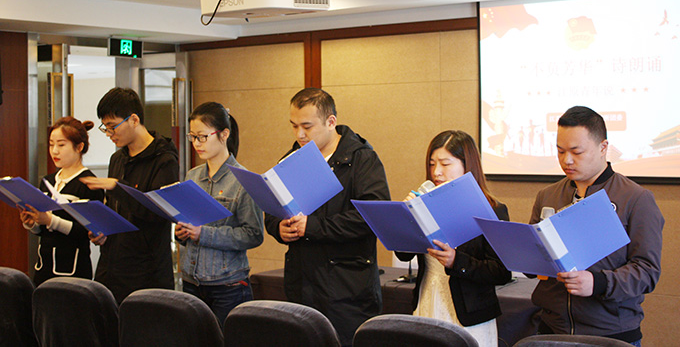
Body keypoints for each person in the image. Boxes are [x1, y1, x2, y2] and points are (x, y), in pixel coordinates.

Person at [264, 88, 390, 346]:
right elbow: (274, 208)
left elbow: (371, 217)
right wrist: (278, 227)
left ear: (331, 122)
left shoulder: (361, 158)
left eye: (307, 126)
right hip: (302, 284)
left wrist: (312, 226)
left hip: (347, 292)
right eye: (294, 126)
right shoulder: (292, 159)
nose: (299, 134)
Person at [530, 106, 664, 346]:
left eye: (577, 152)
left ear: (603, 148)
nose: (566, 160)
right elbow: (535, 251)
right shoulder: (547, 195)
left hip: (610, 334)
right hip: (552, 328)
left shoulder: (635, 199)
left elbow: (647, 271)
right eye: (560, 151)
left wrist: (598, 282)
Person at [396, 130, 511, 347]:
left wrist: (456, 261)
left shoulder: (491, 210)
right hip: (428, 301)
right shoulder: (424, 206)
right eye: (432, 164)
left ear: (467, 166)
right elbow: (403, 255)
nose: (436, 172)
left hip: (469, 316)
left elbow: (500, 272)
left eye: (445, 164)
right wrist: (407, 218)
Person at [81, 87, 179, 303]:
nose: (109, 134)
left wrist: (117, 187)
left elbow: (159, 212)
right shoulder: (117, 159)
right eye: (105, 128)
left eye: (112, 126)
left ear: (134, 119)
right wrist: (102, 231)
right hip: (111, 268)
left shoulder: (164, 159)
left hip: (146, 274)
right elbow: (115, 210)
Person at [175, 102, 263, 325]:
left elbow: (253, 234)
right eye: (193, 137)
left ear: (224, 134)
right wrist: (181, 232)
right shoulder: (192, 176)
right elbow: (188, 225)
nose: (197, 143)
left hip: (227, 284)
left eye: (202, 137)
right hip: (191, 280)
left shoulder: (244, 180)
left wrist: (202, 233)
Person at [19, 116, 105, 286]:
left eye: (61, 145)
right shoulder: (48, 180)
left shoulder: (90, 183)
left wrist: (50, 220)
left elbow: (87, 232)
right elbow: (43, 231)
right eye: (51, 145)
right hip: (43, 268)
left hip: (73, 270)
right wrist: (32, 223)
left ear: (79, 147)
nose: (54, 151)